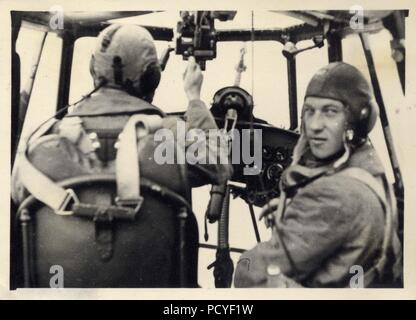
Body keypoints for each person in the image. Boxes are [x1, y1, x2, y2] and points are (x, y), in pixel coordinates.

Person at [12, 23, 232, 204]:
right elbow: (219, 166)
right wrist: (194, 98)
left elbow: (16, 200)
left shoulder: (43, 142)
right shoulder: (170, 136)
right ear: (151, 78)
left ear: (93, 70)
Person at [234, 62, 402, 288]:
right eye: (309, 111)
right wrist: (295, 205)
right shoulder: (367, 161)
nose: (314, 125)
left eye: (330, 112)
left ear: (359, 118)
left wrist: (243, 262)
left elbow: (251, 273)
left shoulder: (335, 195)